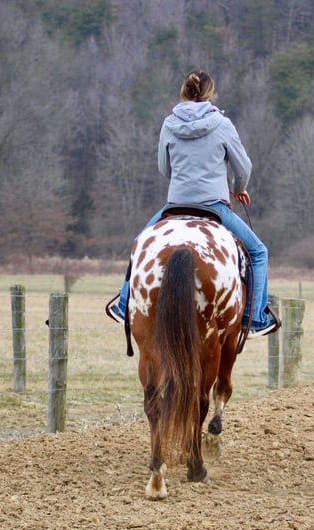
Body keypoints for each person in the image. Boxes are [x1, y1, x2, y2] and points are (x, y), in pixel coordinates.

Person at [106, 69, 280, 338]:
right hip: (214, 207)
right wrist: (238, 189)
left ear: (184, 92)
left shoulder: (168, 124)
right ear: (210, 94)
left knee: (141, 244)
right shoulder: (222, 125)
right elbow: (243, 168)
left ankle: (123, 304)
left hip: (175, 205)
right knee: (258, 252)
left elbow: (165, 169)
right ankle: (255, 318)